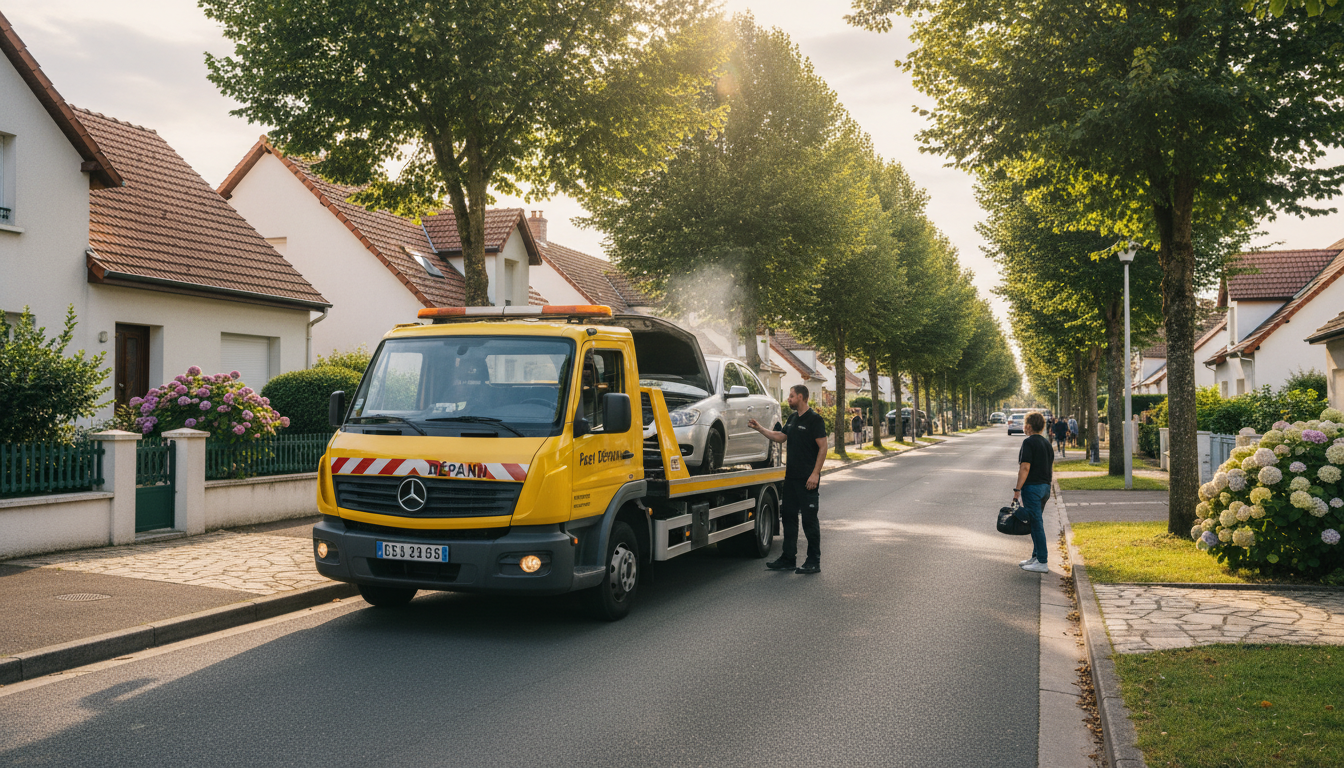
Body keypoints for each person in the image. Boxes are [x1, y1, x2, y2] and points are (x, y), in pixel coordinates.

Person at [749, 384, 828, 574]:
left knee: (809, 522)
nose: (788, 399)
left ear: (801, 397)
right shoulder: (792, 419)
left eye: (791, 396)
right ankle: (788, 559)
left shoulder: (815, 420)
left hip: (807, 480)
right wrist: (760, 429)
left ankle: (813, 561)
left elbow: (823, 447)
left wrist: (815, 474)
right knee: (789, 520)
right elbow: (781, 436)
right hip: (791, 479)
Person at [1014, 412, 1053, 573]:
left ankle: (1042, 561)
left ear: (1029, 426)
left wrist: (1017, 490)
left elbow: (1025, 467)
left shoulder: (1028, 442)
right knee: (1036, 522)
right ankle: (1036, 557)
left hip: (1033, 488)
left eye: (1024, 424)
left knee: (1036, 524)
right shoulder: (1046, 443)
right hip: (1045, 487)